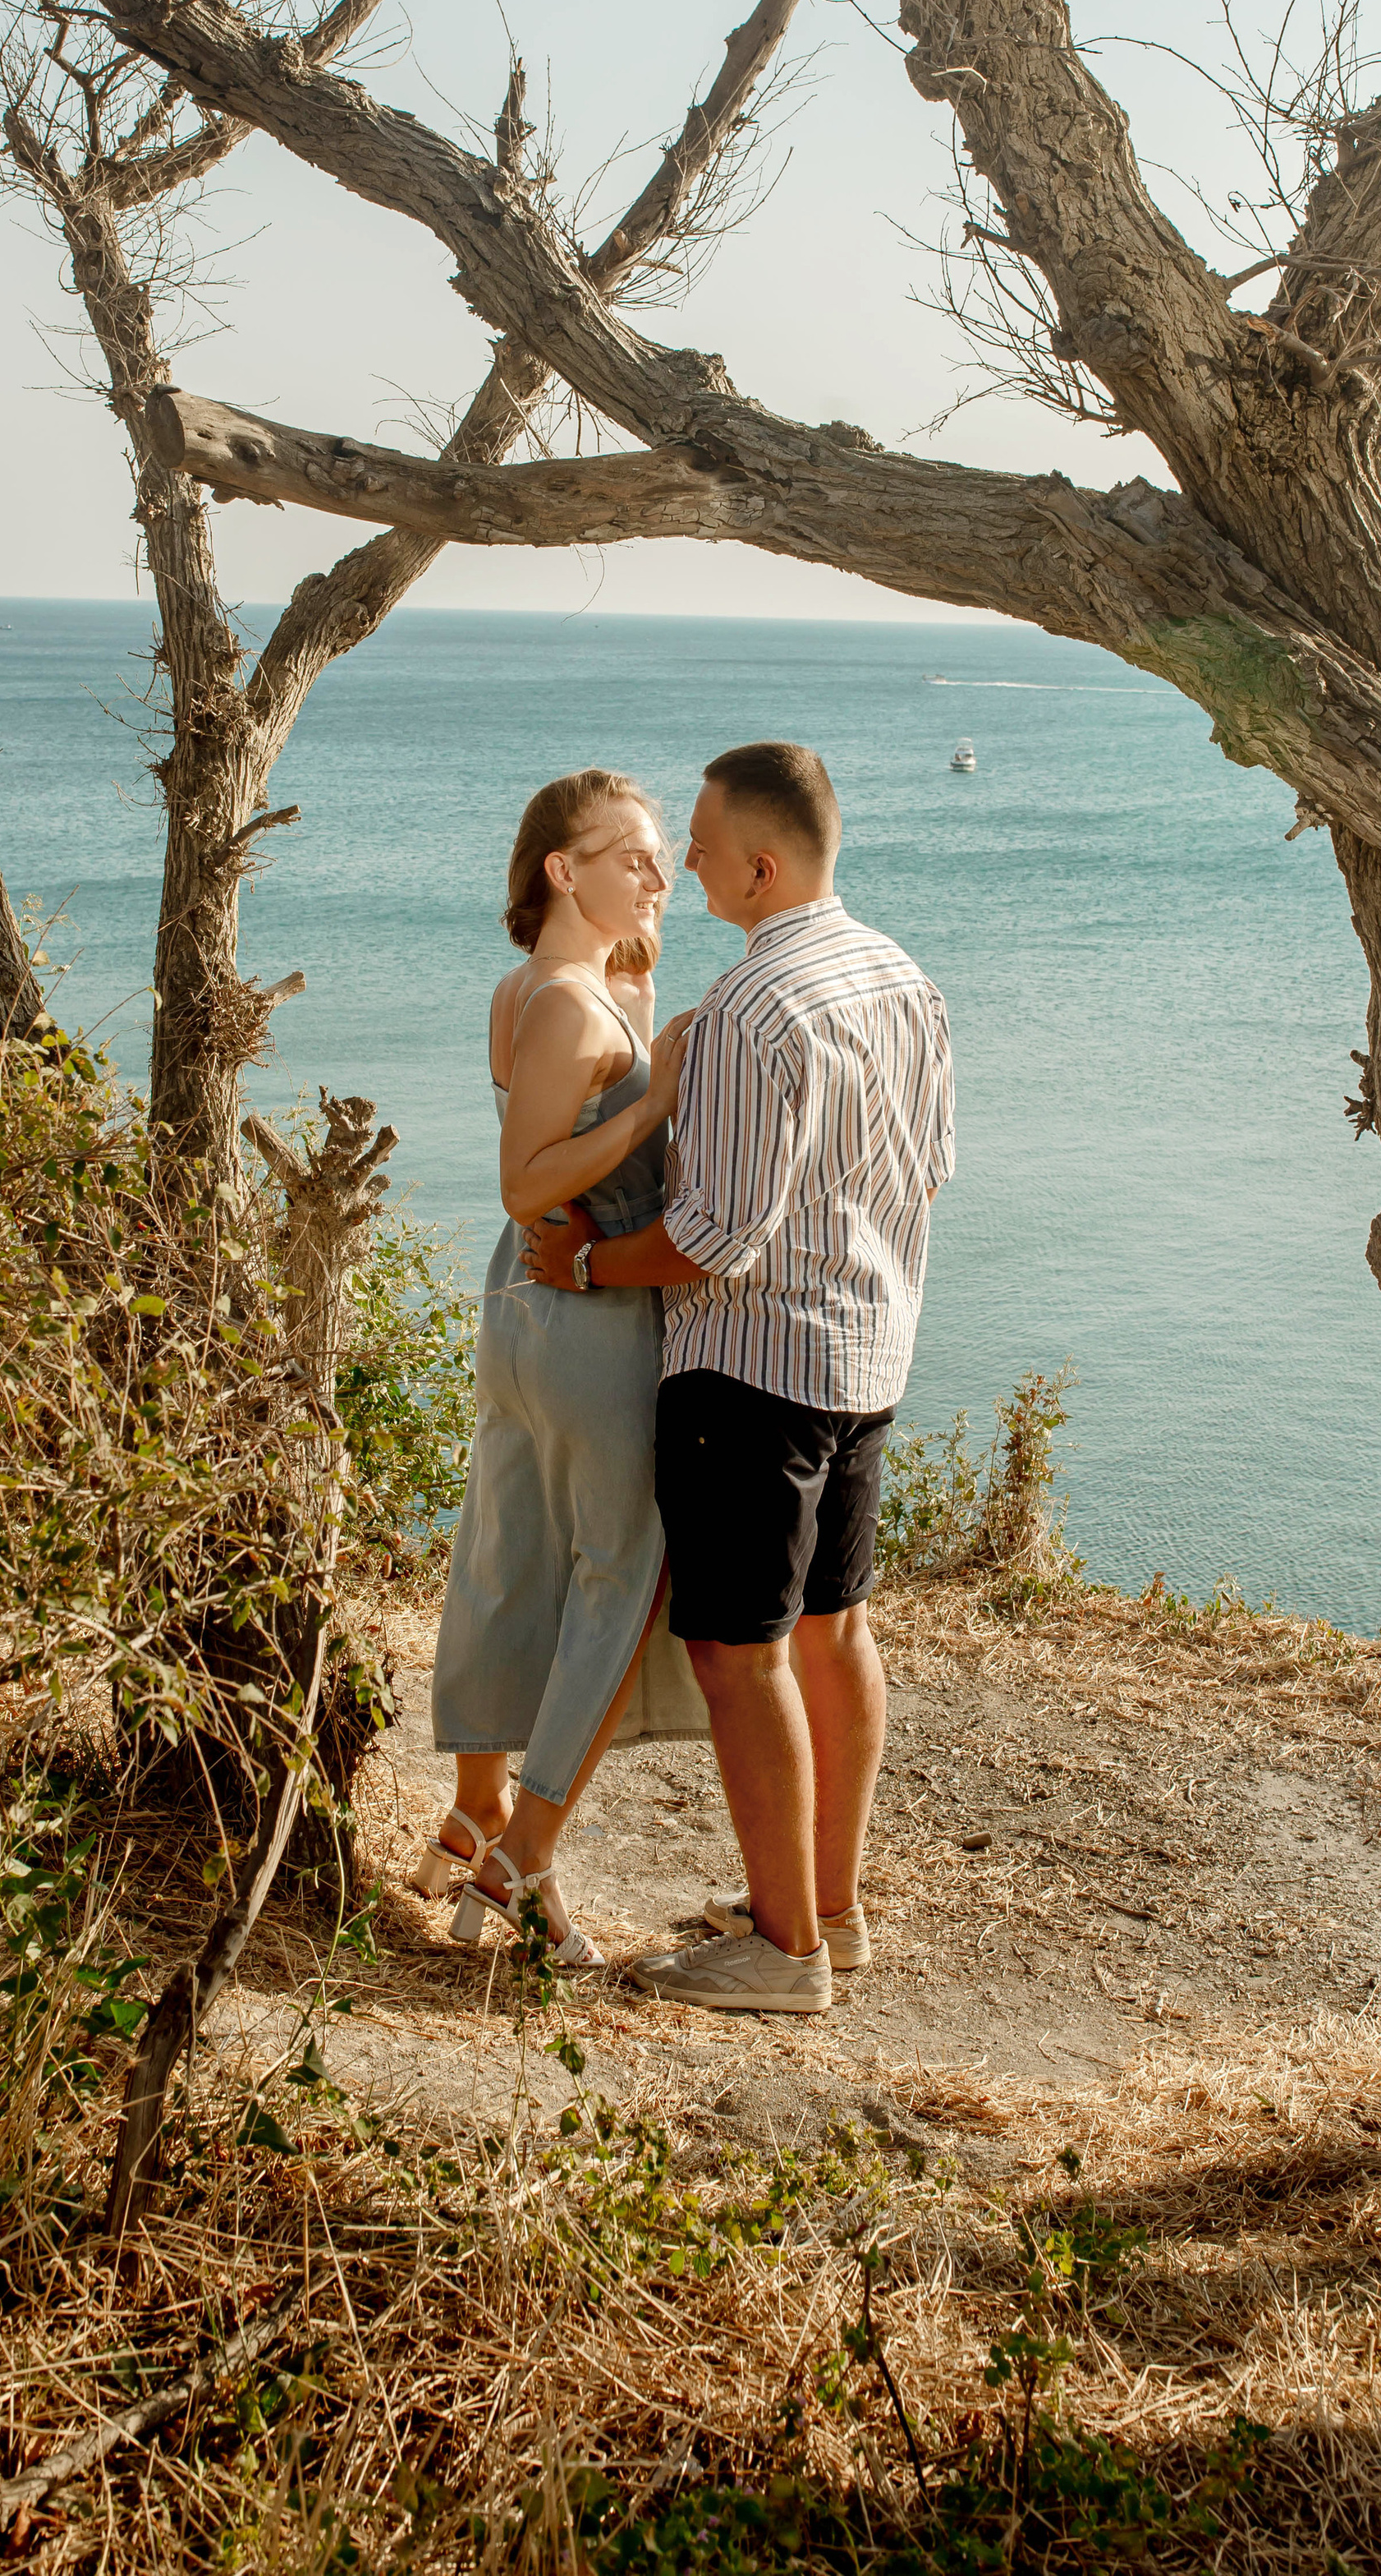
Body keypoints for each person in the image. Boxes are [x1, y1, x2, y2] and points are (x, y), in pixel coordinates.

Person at [527, 742, 954, 2014]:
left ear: (762, 868)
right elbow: (928, 1168)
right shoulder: (901, 975)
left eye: (703, 848)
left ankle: (782, 1952)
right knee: (835, 1629)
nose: (684, 867)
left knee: (738, 1651)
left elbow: (712, 1237)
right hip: (867, 1350)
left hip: (753, 1370)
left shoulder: (748, 1012)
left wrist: (586, 1265)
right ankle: (831, 1912)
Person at [420, 768, 708, 1968]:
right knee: (619, 1577)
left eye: (661, 857)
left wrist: (637, 990)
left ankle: (477, 1810)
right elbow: (524, 1178)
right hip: (587, 1308)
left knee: (512, 1550)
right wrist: (655, 1099)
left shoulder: (546, 988)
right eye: (631, 855)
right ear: (560, 868)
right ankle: (524, 1861)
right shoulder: (566, 1007)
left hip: (523, 1303)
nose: (660, 873)